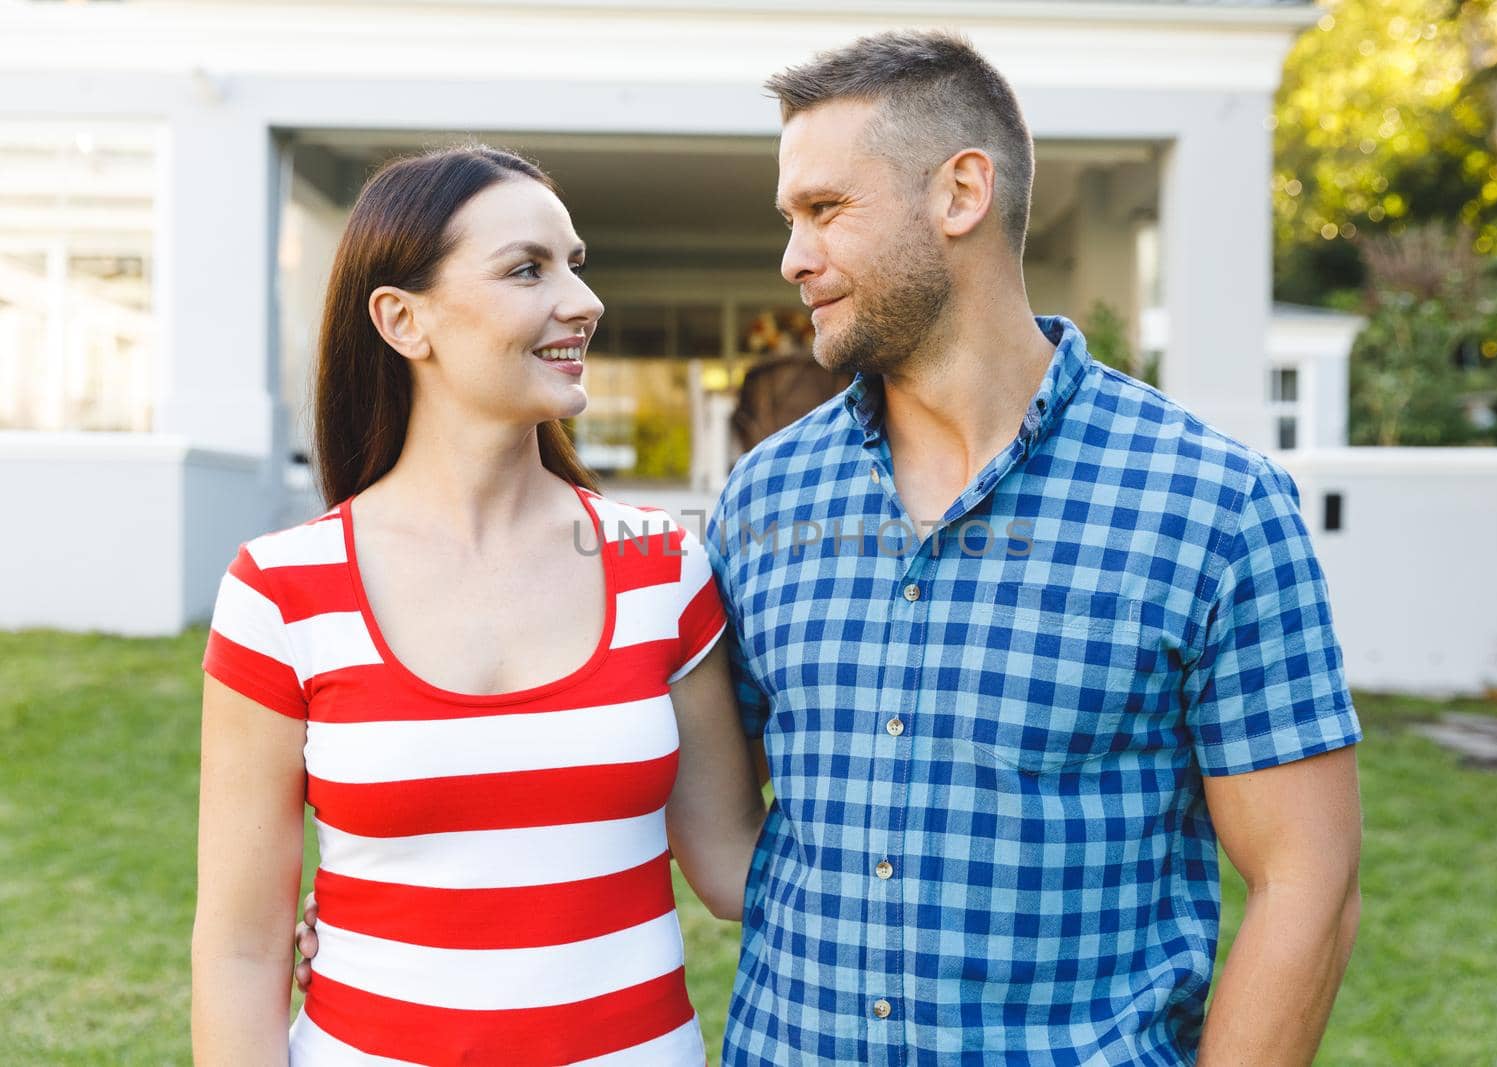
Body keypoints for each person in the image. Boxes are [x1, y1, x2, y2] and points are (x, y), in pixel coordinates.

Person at [299, 31, 1363, 1065]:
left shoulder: (1211, 505)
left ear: (960, 193)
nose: (791, 257)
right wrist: (405, 886)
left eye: (825, 210)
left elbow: (1306, 879)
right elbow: (656, 792)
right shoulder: (764, 498)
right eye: (789, 217)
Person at [191, 146, 764, 1065]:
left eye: (577, 264)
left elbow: (739, 868)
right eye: (528, 269)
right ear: (402, 319)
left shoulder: (665, 563)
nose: (582, 301)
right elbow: (241, 949)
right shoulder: (280, 590)